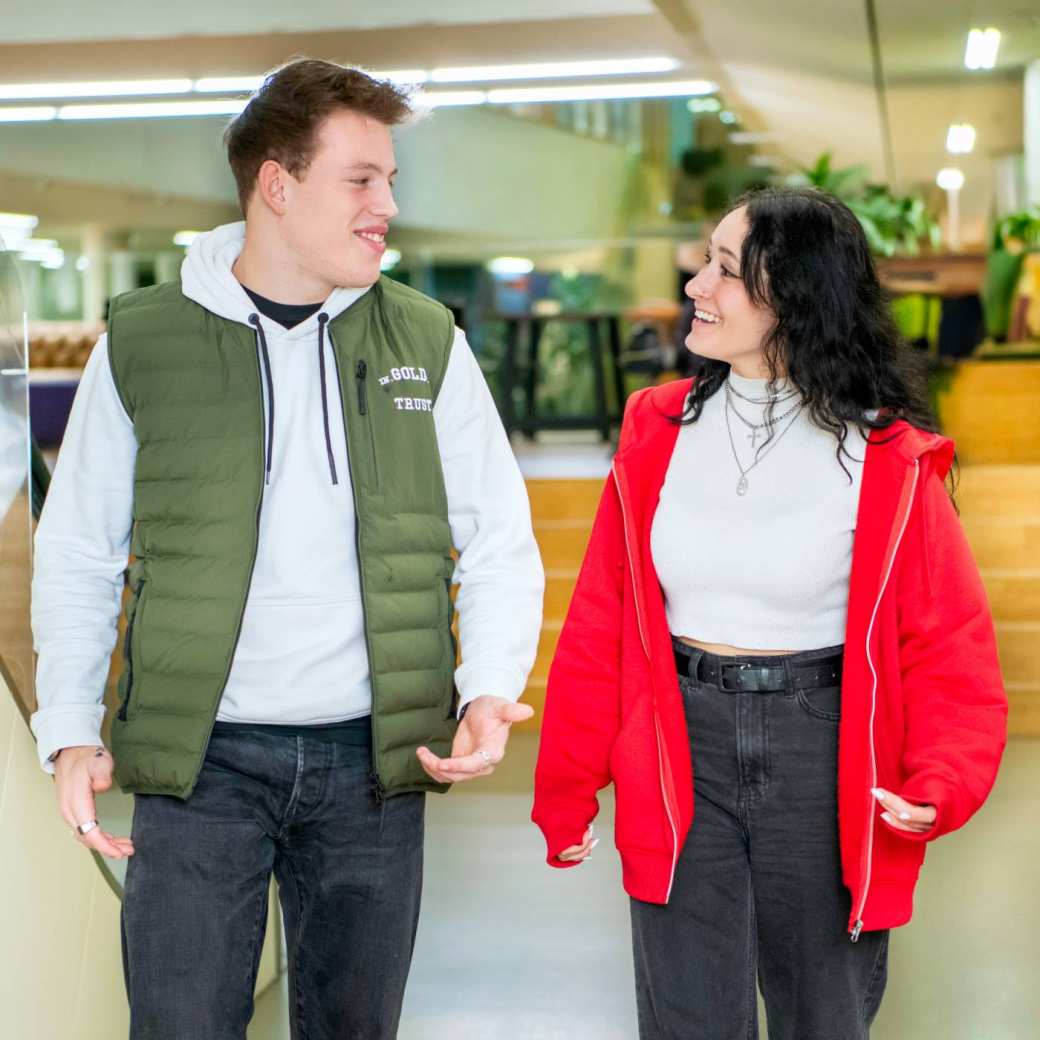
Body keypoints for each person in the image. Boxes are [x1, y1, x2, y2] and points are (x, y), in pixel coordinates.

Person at [31, 58, 544, 1039]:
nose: (385, 204)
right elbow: (80, 552)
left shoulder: (425, 340)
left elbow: (498, 541)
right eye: (361, 179)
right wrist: (68, 721)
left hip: (373, 763)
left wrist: (488, 682)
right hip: (201, 765)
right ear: (278, 183)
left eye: (389, 179)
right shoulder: (142, 341)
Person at [532, 186, 1007, 1039]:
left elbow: (947, 642)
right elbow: (603, 622)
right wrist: (568, 787)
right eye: (702, 261)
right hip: (681, 742)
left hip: (824, 749)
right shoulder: (656, 426)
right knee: (687, 1016)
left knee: (823, 1015)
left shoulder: (888, 456)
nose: (695, 286)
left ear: (795, 297)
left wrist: (942, 777)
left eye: (724, 269)